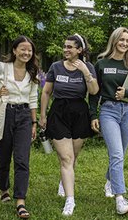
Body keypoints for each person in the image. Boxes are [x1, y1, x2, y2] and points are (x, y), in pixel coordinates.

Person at [89, 27, 128, 214]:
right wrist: (93, 114)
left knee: (120, 154)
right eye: (122, 40)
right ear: (114, 40)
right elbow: (94, 92)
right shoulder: (101, 63)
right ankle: (120, 199)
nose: (125, 43)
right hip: (109, 111)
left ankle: (110, 181)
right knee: (116, 155)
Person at [0, 35, 39, 219]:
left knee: (22, 158)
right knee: (3, 156)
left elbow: (33, 98)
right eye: (22, 49)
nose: (26, 53)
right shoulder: (3, 68)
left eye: (29, 50)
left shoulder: (32, 72)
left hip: (24, 117)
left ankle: (20, 201)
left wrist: (34, 122)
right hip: (5, 114)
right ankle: (3, 189)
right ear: (14, 50)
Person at [39, 34, 98, 216]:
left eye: (70, 47)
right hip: (59, 111)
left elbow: (94, 91)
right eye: (64, 46)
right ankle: (70, 201)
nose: (65, 50)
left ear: (79, 50)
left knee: (73, 156)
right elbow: (46, 91)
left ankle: (64, 181)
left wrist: (85, 72)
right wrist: (43, 115)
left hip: (80, 112)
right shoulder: (56, 67)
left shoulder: (88, 67)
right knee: (66, 158)